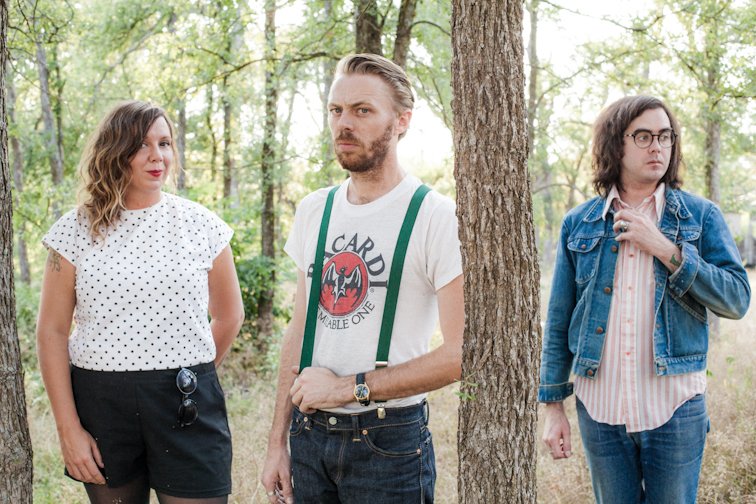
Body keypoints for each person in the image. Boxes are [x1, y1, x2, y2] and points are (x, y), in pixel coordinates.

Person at [260, 53, 464, 503]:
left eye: (362, 110)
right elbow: (298, 330)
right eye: (336, 110)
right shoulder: (315, 209)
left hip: (389, 444)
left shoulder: (434, 216)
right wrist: (278, 442)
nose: (344, 124)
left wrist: (345, 388)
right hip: (308, 434)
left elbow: (458, 355)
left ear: (402, 121)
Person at [539, 95, 751, 503]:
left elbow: (737, 299)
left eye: (665, 136)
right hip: (600, 411)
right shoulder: (579, 223)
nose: (657, 147)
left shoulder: (700, 217)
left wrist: (667, 250)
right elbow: (559, 319)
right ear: (615, 144)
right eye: (644, 136)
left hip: (675, 408)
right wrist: (553, 406)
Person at [36, 100, 244, 504]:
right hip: (102, 405)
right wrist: (68, 429)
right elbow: (52, 332)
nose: (157, 156)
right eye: (141, 144)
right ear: (115, 152)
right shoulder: (73, 231)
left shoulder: (202, 225)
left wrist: (189, 374)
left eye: (164, 143)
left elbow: (229, 315)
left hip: (186, 403)